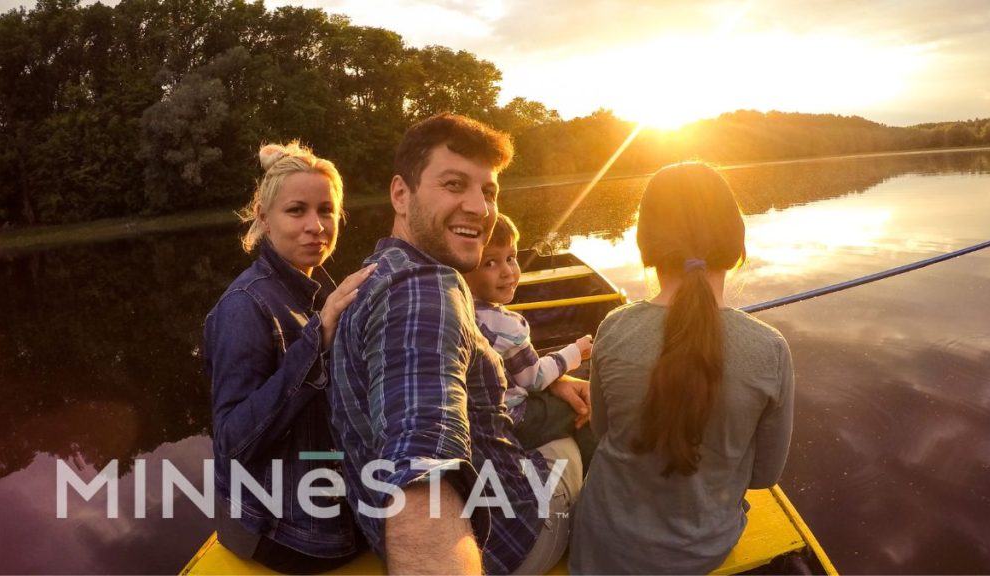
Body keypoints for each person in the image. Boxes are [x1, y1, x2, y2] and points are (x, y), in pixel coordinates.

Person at [328, 113, 587, 575]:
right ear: (400, 194)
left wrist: (554, 382)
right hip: (511, 542)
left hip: (383, 531)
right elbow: (420, 458)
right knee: (580, 438)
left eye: (488, 192)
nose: (480, 208)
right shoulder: (428, 290)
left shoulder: (377, 270)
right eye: (453, 184)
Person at [569, 162, 795, 574]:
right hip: (701, 550)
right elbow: (764, 474)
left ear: (647, 247)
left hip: (604, 545)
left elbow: (603, 432)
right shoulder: (769, 350)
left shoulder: (613, 329)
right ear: (736, 247)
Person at [204, 141, 374, 573]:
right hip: (289, 535)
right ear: (263, 216)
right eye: (296, 210)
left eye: (326, 210)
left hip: (327, 507)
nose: (316, 226)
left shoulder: (316, 287)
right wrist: (317, 340)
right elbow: (233, 441)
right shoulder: (245, 305)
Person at [462, 213, 598, 469]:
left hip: (479, 418)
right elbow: (533, 379)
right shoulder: (507, 325)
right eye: (490, 263)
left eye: (511, 259)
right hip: (515, 418)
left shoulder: (458, 311)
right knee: (588, 410)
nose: (507, 272)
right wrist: (575, 352)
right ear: (465, 270)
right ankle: (595, 478)